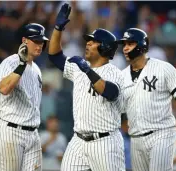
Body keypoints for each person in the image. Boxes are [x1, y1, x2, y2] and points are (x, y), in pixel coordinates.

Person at [48, 3, 125, 171]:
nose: (88, 44)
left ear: (104, 47)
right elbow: (54, 55)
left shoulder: (114, 72)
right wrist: (58, 29)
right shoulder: (79, 67)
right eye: (88, 41)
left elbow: (110, 92)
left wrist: (88, 70)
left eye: (93, 42)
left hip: (105, 142)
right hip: (78, 140)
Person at [117, 28, 176, 171]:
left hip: (161, 134)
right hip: (135, 138)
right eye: (124, 44)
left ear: (142, 45)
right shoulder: (121, 76)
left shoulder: (164, 68)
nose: (125, 48)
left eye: (130, 43)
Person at [0, 23, 49, 171]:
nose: (39, 45)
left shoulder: (36, 69)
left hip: (32, 134)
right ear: (24, 41)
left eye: (42, 42)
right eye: (36, 41)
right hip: (11, 132)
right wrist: (21, 64)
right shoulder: (10, 62)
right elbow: (3, 88)